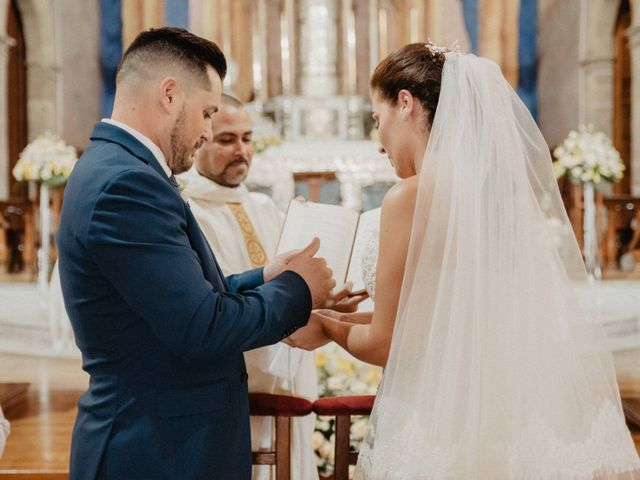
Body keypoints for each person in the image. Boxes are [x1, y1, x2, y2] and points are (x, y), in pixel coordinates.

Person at [287, 43, 640, 478]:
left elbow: (389, 344)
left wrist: (325, 327)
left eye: (377, 120)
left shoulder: (409, 197)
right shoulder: (497, 193)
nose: (378, 143)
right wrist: (337, 317)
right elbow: (437, 316)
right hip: (509, 404)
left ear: (405, 103)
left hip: (439, 414)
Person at [56, 27, 335, 480]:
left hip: (163, 439)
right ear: (169, 94)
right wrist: (298, 290)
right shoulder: (127, 184)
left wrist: (264, 276)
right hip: (155, 449)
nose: (207, 131)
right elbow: (199, 327)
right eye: (206, 112)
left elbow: (178, 300)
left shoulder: (119, 167)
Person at [180, 93, 362, 480]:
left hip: (289, 371)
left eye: (247, 139)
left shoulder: (264, 208)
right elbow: (213, 301)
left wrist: (328, 300)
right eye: (227, 139)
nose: (241, 150)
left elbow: (294, 287)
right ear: (201, 138)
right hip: (238, 374)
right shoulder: (187, 211)